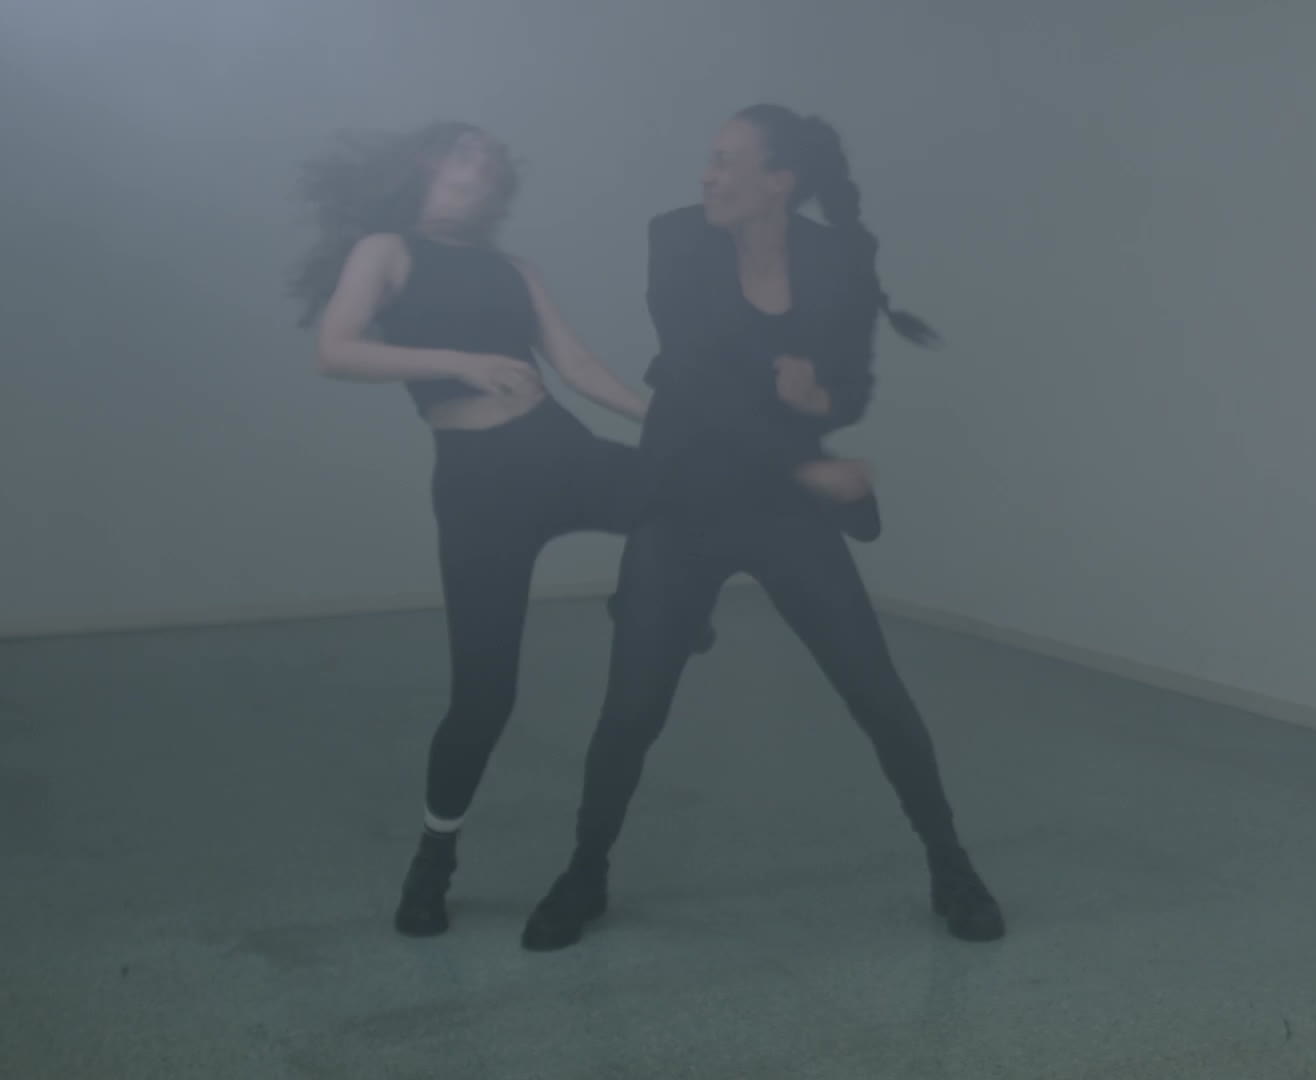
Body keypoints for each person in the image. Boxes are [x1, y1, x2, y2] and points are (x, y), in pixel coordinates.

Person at [289, 122, 859, 938]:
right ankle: (434, 859)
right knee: (484, 696)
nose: (482, 172)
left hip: (557, 451)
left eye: (492, 165)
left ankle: (668, 607)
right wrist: (460, 363)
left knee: (694, 489)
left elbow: (580, 368)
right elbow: (336, 351)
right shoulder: (386, 251)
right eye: (466, 157)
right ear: (424, 168)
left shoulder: (513, 269)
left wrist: (671, 420)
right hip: (479, 490)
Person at [519, 105, 1004, 952]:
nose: (705, 175)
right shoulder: (676, 240)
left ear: (778, 181)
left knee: (877, 695)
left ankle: (950, 865)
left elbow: (850, 385)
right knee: (632, 711)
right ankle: (585, 871)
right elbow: (695, 384)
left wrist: (821, 400)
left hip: (781, 516)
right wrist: (802, 462)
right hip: (686, 502)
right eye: (707, 159)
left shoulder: (838, 258)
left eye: (724, 161)